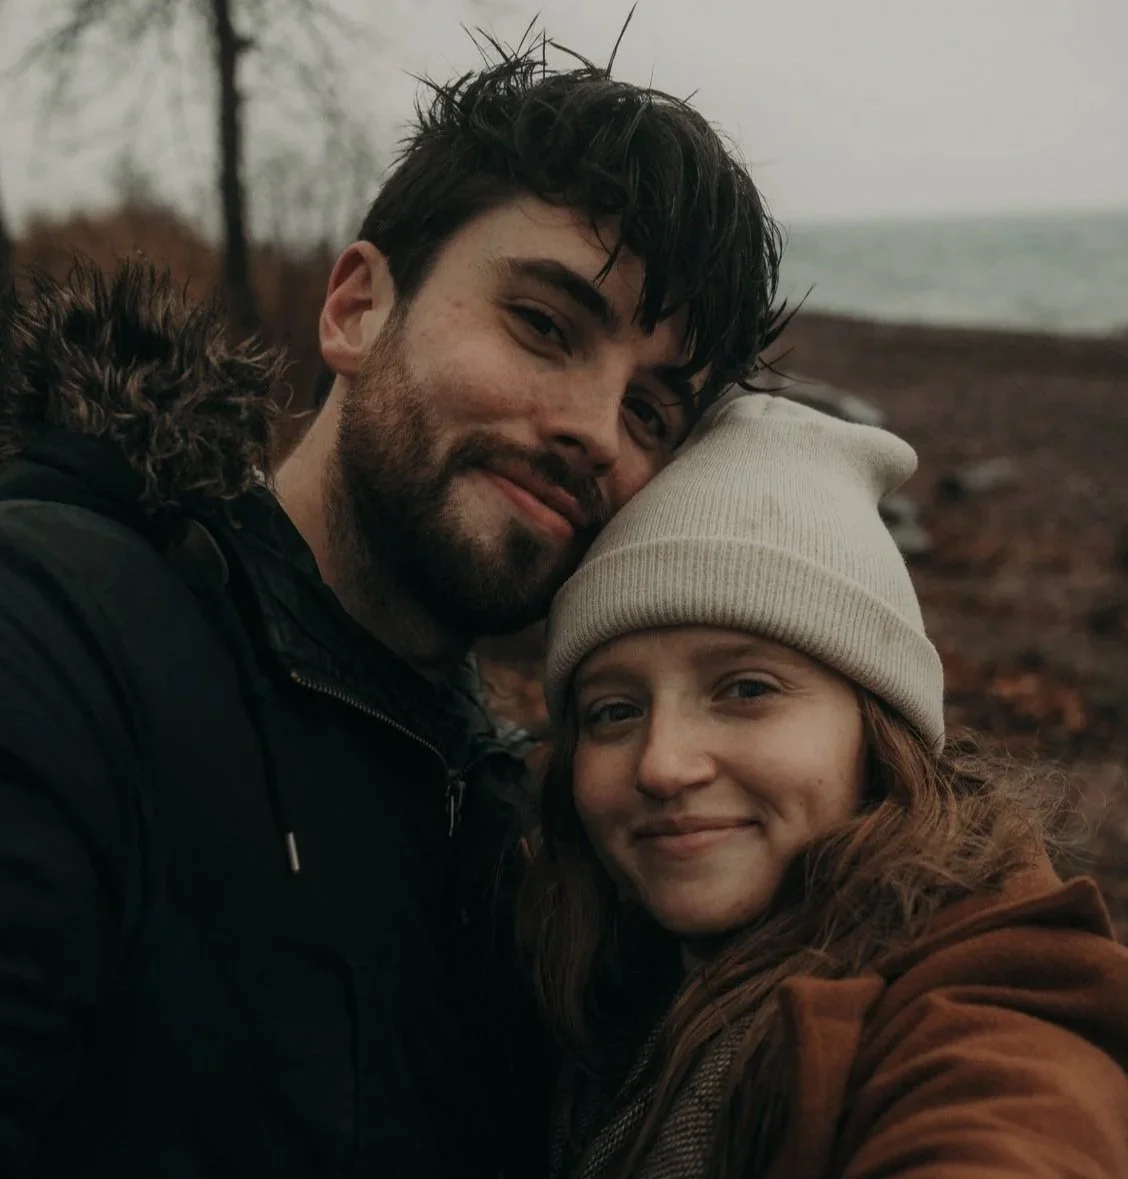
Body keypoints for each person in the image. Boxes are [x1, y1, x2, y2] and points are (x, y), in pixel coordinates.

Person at [0, 36, 784, 1179]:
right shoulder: (58, 633)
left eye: (654, 413)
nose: (595, 432)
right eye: (545, 326)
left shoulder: (528, 821)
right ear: (358, 309)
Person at [521, 393, 1128, 1179]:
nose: (662, 764)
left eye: (746, 690)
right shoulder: (579, 955)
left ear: (876, 731)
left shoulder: (994, 995)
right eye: (614, 710)